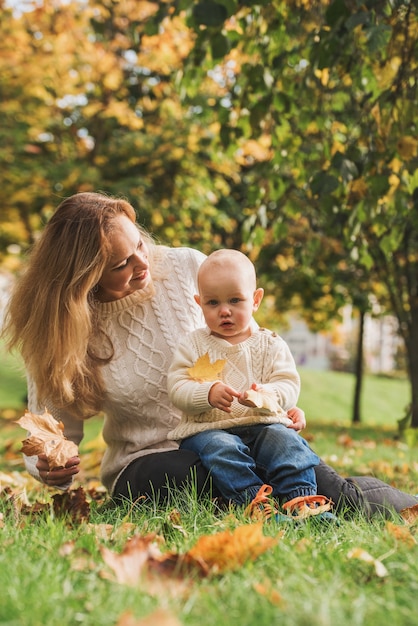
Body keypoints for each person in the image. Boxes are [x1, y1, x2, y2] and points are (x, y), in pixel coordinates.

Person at [2, 191, 416, 520]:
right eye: (121, 263)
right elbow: (52, 436)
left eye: (140, 244)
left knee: (322, 485)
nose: (142, 261)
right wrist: (51, 469)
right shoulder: (65, 329)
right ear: (84, 277)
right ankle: (263, 507)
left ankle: (392, 504)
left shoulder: (185, 268)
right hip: (149, 461)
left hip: (238, 435)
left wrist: (275, 400)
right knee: (203, 476)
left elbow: (250, 345)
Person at [166, 249, 334, 520]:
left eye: (235, 300)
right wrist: (206, 393)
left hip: (263, 425)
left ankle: (302, 500)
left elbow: (288, 384)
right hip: (207, 429)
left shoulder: (271, 343)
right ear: (199, 303)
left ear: (255, 300)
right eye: (212, 303)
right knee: (222, 449)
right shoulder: (193, 344)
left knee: (287, 442)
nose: (224, 311)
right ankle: (255, 502)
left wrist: (267, 395)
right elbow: (176, 387)